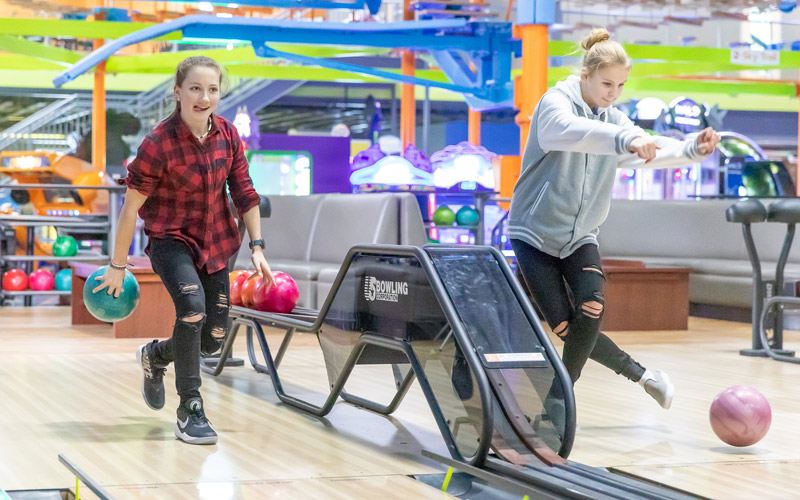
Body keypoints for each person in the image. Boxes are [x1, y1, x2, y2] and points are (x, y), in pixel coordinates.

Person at [508, 28, 720, 419]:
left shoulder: (615, 121)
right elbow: (567, 134)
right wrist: (624, 139)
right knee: (567, 331)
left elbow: (647, 148)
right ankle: (642, 376)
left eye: (620, 85)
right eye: (606, 83)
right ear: (585, 75)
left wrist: (693, 148)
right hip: (532, 234)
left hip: (580, 237)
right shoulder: (555, 104)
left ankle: (555, 407)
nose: (612, 92)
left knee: (590, 308)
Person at [93, 56, 275, 445]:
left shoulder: (227, 135)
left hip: (218, 243)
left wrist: (258, 246)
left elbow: (244, 191)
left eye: (212, 89)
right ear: (178, 92)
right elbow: (130, 209)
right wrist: (117, 266)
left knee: (213, 337)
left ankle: (155, 356)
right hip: (171, 242)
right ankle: (190, 408)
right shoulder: (158, 144)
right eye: (195, 88)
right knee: (192, 312)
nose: (204, 97)